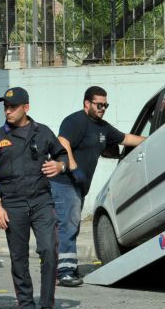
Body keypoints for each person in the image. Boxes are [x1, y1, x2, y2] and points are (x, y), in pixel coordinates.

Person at [0, 87, 67, 309]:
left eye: (13, 107)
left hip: (42, 200)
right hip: (12, 203)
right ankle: (26, 308)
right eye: (5, 107)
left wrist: (60, 166)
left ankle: (47, 307)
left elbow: (62, 155)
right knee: (18, 258)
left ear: (26, 108)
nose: (8, 111)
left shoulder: (42, 133)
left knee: (49, 252)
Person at [50, 86, 144, 287]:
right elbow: (62, 141)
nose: (102, 108)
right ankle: (64, 272)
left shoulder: (102, 127)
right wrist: (73, 167)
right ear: (87, 103)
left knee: (71, 226)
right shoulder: (76, 121)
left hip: (79, 185)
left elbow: (126, 138)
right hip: (64, 182)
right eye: (99, 104)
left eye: (105, 105)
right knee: (67, 224)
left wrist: (152, 139)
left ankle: (67, 266)